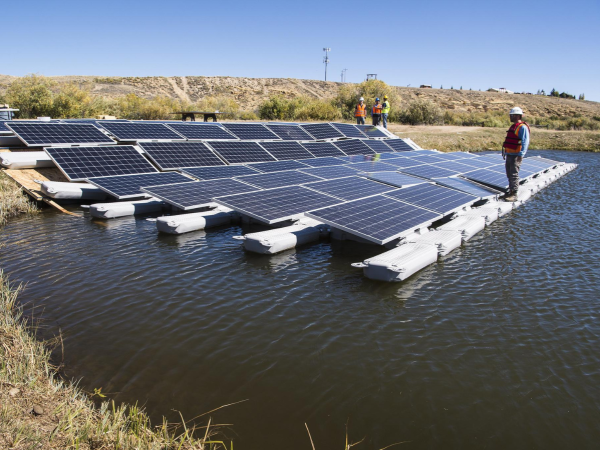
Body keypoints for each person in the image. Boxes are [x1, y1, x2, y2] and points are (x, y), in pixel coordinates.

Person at [502, 107, 530, 202]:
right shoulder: (514, 126)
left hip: (516, 155)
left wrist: (521, 154)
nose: (510, 117)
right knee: (509, 173)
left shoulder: (522, 127)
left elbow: (525, 141)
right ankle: (510, 191)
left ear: (517, 116)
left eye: (512, 115)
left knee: (514, 174)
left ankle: (514, 194)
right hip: (510, 154)